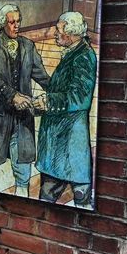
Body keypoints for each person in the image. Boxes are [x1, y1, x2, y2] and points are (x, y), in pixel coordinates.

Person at [0, 4, 50, 198]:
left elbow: (42, 76)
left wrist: (54, 93)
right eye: (12, 22)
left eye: (18, 21)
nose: (16, 26)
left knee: (23, 173)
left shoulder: (28, 46)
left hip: (22, 120)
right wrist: (13, 96)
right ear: (3, 24)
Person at [33, 12, 97, 207]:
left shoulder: (84, 57)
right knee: (50, 189)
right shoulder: (74, 52)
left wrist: (49, 102)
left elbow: (80, 98)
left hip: (69, 140)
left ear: (71, 34)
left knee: (76, 193)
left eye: (59, 30)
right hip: (60, 140)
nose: (55, 34)